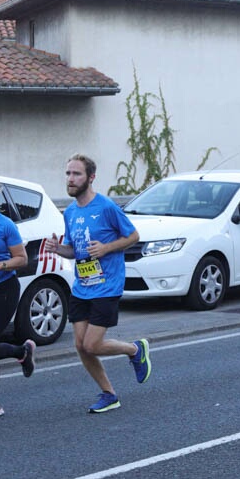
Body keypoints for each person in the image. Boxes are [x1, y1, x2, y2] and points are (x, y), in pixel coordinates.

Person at [45, 154, 151, 413]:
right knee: (80, 345)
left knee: (92, 344)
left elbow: (134, 236)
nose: (70, 179)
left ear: (90, 178)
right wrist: (58, 249)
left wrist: (106, 248)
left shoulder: (106, 207)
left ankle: (134, 349)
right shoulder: (69, 212)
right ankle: (109, 394)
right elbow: (75, 250)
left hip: (107, 284)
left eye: (76, 174)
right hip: (82, 285)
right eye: (68, 173)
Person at [0, 203, 36, 417]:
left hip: (4, 290)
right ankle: (22, 352)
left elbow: (22, 258)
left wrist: (0, 265)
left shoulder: (5, 225)